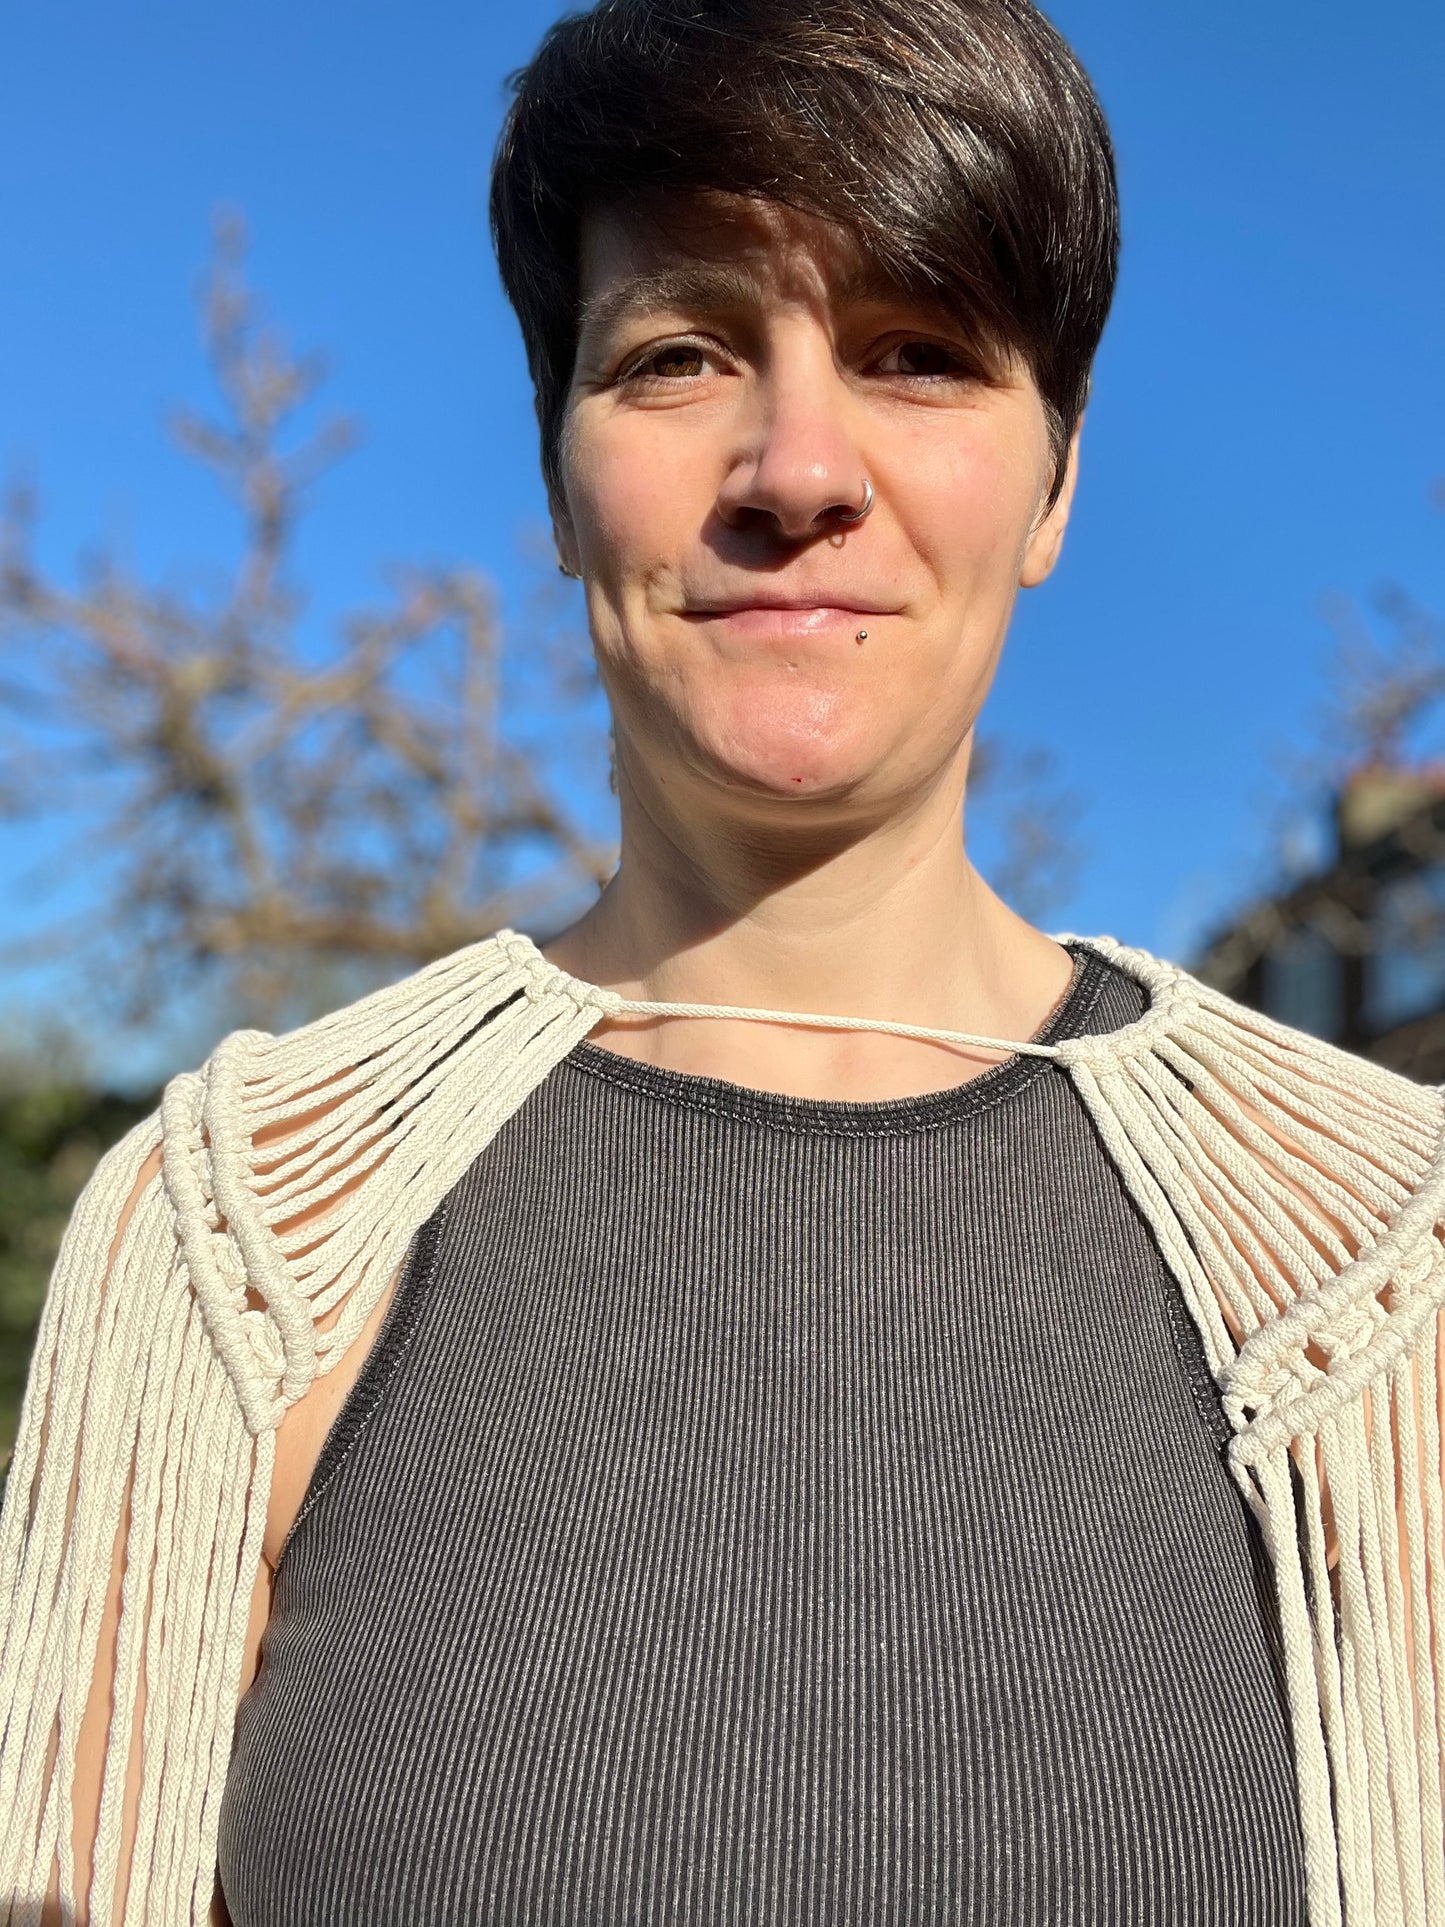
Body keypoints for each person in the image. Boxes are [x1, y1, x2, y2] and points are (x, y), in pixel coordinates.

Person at [3, 1, 1442, 1922]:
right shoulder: (237, 1232)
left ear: (1057, 483)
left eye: (918, 353)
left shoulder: (1381, 1256)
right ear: (557, 470)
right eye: (678, 355)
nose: (797, 468)